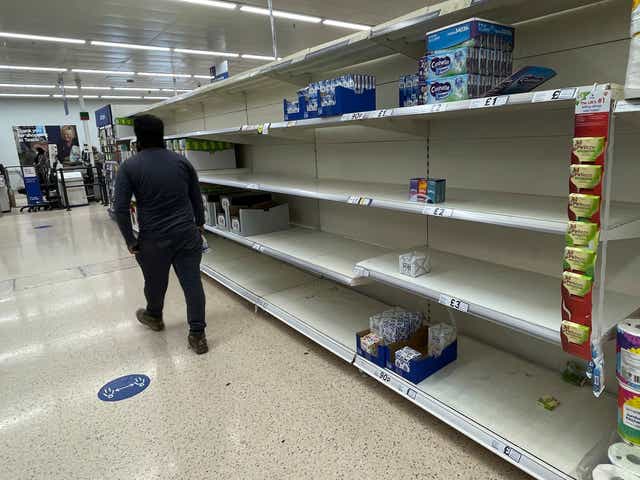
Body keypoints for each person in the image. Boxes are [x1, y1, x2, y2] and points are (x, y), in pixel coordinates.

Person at [113, 114, 208, 354]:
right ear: (162, 135)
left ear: (137, 139)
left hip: (153, 239)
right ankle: (197, 335)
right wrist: (199, 225)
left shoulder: (129, 166)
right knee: (192, 283)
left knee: (155, 282)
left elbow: (120, 208)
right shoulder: (182, 162)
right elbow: (196, 198)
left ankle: (154, 316)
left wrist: (130, 240)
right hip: (187, 234)